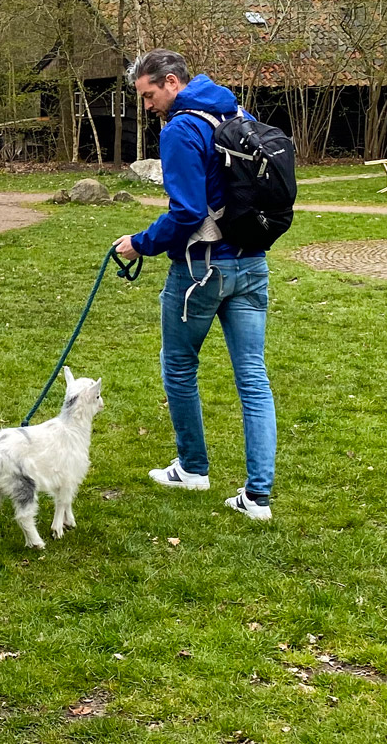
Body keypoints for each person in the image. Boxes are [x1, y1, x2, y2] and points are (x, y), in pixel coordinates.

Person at [110, 49, 276, 520]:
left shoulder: (182, 128)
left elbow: (186, 212)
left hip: (200, 270)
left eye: (148, 95)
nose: (146, 106)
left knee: (179, 367)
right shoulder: (237, 111)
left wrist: (141, 244)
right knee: (253, 379)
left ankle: (193, 468)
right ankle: (257, 496)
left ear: (171, 83)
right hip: (251, 263)